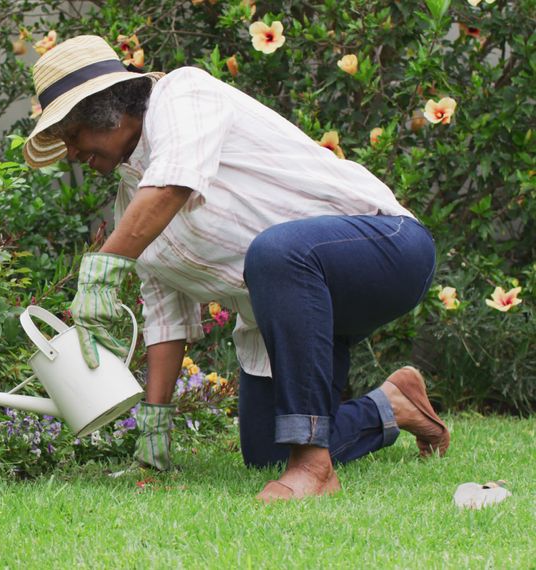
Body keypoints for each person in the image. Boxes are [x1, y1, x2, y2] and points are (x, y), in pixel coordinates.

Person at [23, 35, 450, 501]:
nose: (70, 153)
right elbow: (165, 317)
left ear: (105, 108)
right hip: (295, 314)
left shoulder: (183, 95)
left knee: (273, 251)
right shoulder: (133, 202)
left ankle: (314, 468)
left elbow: (175, 181)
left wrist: (103, 265)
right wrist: (154, 426)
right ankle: (393, 404)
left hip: (385, 248)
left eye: (72, 136)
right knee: (265, 452)